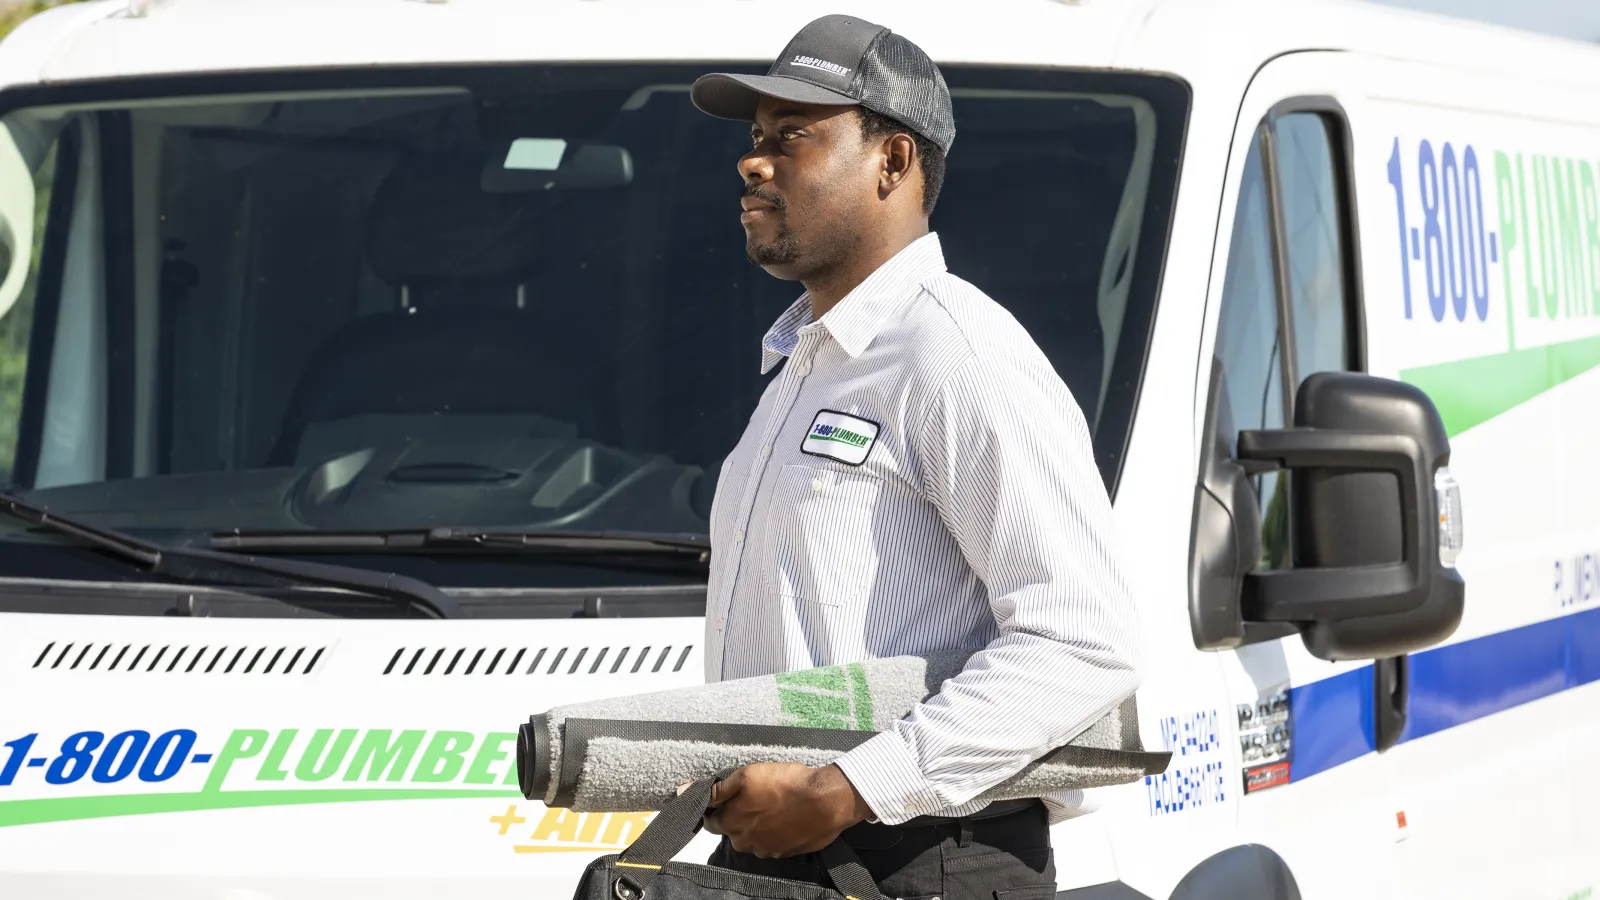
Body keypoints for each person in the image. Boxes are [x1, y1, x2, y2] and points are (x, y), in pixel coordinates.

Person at [687, 13, 1145, 898]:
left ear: (893, 162)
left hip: (922, 861)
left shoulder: (955, 355)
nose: (753, 161)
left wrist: (852, 787)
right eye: (755, 139)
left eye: (794, 137)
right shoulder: (805, 365)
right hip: (796, 852)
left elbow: (1086, 642)